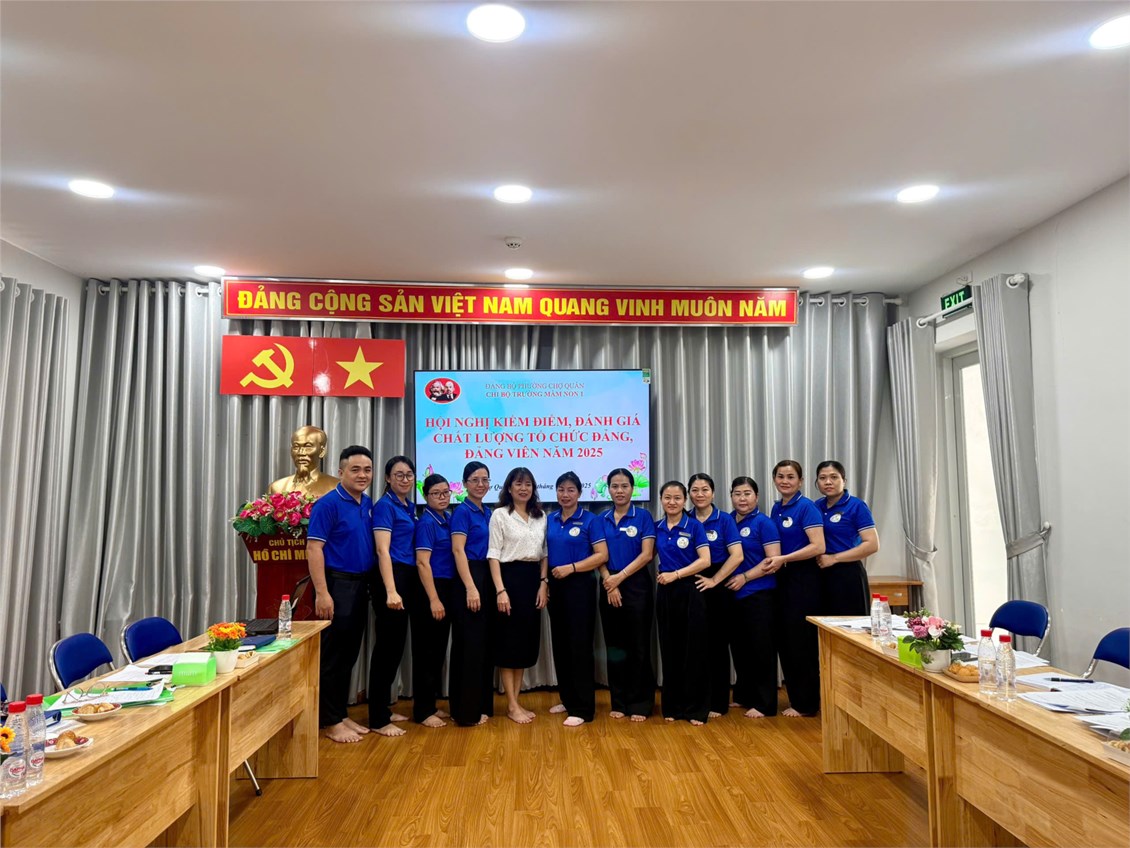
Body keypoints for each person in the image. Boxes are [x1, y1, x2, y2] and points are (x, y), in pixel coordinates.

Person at [305, 445, 375, 744]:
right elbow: (314, 548)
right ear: (340, 472)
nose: (362, 475)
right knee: (332, 656)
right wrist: (322, 593)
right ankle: (329, 721)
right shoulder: (328, 504)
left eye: (367, 470)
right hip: (337, 585)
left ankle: (340, 713)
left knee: (349, 654)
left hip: (361, 585)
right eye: (355, 469)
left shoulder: (367, 502)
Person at [762, 460, 826, 717]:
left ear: (800, 481)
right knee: (787, 641)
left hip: (804, 579)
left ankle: (807, 704)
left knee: (802, 642)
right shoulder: (777, 507)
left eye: (790, 477)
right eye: (780, 476)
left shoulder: (806, 507)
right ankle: (797, 698)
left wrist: (784, 558)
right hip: (783, 579)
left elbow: (818, 546)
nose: (785, 481)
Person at [546, 471, 608, 726]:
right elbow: (543, 554)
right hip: (555, 586)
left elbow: (601, 555)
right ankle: (568, 698)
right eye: (561, 489)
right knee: (560, 644)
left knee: (579, 645)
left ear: (580, 493)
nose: (565, 494)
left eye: (571, 490)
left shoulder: (591, 520)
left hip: (580, 586)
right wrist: (544, 582)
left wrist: (572, 568)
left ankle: (583, 708)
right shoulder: (549, 519)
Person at [488, 467, 548, 724]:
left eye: (528, 484)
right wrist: (500, 590)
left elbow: (544, 553)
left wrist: (543, 584)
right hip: (508, 581)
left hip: (532, 581)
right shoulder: (500, 515)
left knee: (524, 644)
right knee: (507, 643)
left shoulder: (540, 516)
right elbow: (493, 554)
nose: (523, 488)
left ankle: (517, 700)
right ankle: (511, 705)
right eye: (518, 484)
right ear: (509, 488)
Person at [598, 468, 656, 721]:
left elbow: (647, 555)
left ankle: (640, 703)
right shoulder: (601, 519)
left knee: (638, 645)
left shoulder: (643, 516)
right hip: (608, 584)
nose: (619, 491)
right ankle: (619, 702)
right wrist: (609, 582)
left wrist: (618, 578)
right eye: (614, 486)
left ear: (633, 489)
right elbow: (598, 555)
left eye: (624, 486)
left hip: (636, 585)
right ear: (608, 490)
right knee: (615, 647)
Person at [654, 481, 711, 725]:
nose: (672, 502)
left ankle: (696, 709)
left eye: (677, 498)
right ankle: (673, 707)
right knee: (670, 649)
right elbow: (645, 554)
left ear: (685, 500)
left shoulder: (694, 526)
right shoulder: (656, 527)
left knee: (694, 650)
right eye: (667, 497)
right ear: (661, 500)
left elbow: (705, 560)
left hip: (690, 590)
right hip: (665, 592)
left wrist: (676, 574)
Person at [369, 455, 419, 737]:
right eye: (398, 475)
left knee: (397, 646)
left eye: (409, 474)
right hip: (391, 579)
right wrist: (391, 590)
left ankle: (384, 709)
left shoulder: (409, 506)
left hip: (407, 576)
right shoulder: (384, 506)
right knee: (386, 649)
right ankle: (377, 719)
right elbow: (382, 550)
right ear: (387, 478)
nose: (405, 479)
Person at [687, 473, 744, 718]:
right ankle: (696, 699)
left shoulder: (724, 520)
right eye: (695, 490)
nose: (700, 494)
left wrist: (714, 580)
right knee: (695, 644)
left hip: (718, 585)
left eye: (705, 490)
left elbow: (737, 555)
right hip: (691, 583)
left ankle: (718, 702)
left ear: (713, 493)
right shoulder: (685, 517)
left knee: (717, 645)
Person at [724, 476, 781, 718]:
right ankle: (744, 695)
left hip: (759, 594)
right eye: (737, 494)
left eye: (747, 493)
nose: (742, 499)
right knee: (740, 648)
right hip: (733, 595)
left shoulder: (764, 523)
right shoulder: (727, 521)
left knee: (761, 649)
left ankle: (766, 703)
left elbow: (773, 560)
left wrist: (745, 577)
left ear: (756, 496)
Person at [449, 461, 495, 727]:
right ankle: (465, 712)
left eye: (485, 479)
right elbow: (458, 551)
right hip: (469, 578)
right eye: (475, 480)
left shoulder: (488, 512)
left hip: (487, 577)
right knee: (469, 646)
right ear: (465, 483)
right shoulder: (461, 512)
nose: (481, 484)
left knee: (484, 646)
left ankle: (481, 705)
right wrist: (470, 587)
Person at [414, 473, 457, 728]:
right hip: (431, 590)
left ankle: (430, 704)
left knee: (438, 650)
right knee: (426, 652)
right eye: (436, 493)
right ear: (425, 496)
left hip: (448, 587)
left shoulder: (448, 519)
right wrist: (434, 599)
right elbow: (422, 562)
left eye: (445, 492)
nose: (442, 497)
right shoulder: (426, 523)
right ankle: (422, 711)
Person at [814, 461, 880, 615]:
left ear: (844, 480)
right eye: (822, 478)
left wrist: (834, 558)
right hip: (819, 572)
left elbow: (872, 544)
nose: (828, 482)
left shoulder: (856, 505)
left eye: (834, 477)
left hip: (847, 572)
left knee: (849, 624)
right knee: (822, 623)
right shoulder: (816, 506)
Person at [269, 425, 340, 499]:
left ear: (322, 451)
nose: (301, 453)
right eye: (296, 447)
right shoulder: (277, 487)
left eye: (308, 446)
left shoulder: (336, 487)